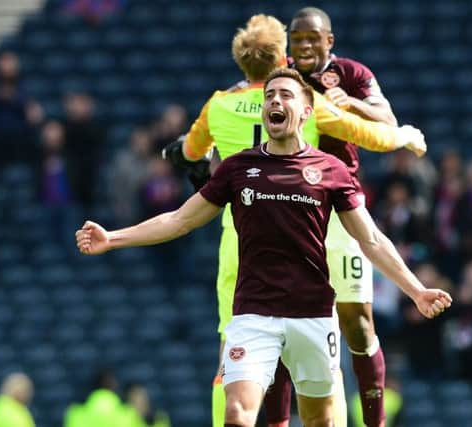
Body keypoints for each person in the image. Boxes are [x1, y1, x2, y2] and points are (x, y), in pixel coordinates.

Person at [76, 68, 452, 427]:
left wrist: (415, 290)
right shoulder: (238, 169)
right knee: (238, 412)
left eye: (285, 95)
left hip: (313, 315)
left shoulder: (331, 171)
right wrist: (113, 238)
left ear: (306, 112)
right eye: (269, 95)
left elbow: (370, 239)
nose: (275, 100)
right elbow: (179, 219)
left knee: (320, 419)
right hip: (253, 315)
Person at [161, 14, 426, 427]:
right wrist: (408, 135)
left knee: (234, 355)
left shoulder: (220, 104)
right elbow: (374, 135)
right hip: (304, 228)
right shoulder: (304, 102)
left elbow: (190, 159)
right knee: (322, 348)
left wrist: (180, 154)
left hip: (244, 237)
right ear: (281, 54)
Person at [286, 7, 399, 426]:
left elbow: (388, 121)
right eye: (297, 41)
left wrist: (351, 103)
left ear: (328, 41)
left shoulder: (352, 74)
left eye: (313, 39)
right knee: (286, 325)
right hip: (290, 207)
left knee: (357, 322)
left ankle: (375, 422)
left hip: (340, 208)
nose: (305, 48)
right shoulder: (283, 80)